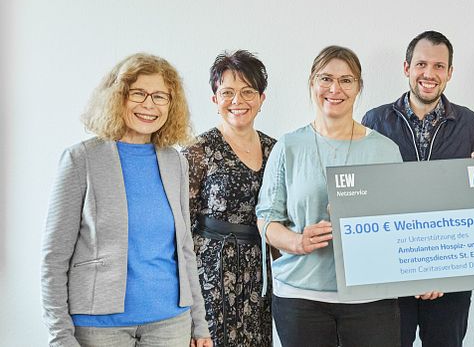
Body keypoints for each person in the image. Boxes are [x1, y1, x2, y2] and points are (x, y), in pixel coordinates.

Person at [41, 53, 212, 347]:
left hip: (170, 323)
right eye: (139, 94)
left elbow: (185, 250)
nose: (149, 105)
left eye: (160, 96)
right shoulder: (81, 159)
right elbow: (54, 259)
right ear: (118, 97)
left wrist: (199, 324)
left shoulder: (175, 162)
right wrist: (60, 337)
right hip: (99, 328)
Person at [256, 46, 403, 347]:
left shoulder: (385, 150)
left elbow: (401, 220)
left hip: (371, 298)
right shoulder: (288, 146)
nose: (335, 89)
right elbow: (266, 218)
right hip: (301, 298)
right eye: (326, 78)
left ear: (359, 87)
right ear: (312, 83)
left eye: (347, 80)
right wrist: (296, 242)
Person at [362, 30, 474, 347]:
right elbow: (365, 201)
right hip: (391, 275)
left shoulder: (469, 123)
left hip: (450, 278)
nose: (429, 74)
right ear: (407, 68)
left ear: (449, 73)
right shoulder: (374, 121)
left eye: (438, 66)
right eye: (421, 64)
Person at [183, 51, 275, 346]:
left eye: (248, 91)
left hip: (259, 273)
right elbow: (180, 227)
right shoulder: (198, 150)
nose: (238, 101)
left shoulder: (276, 150)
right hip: (210, 273)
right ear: (215, 99)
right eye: (228, 92)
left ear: (261, 98)